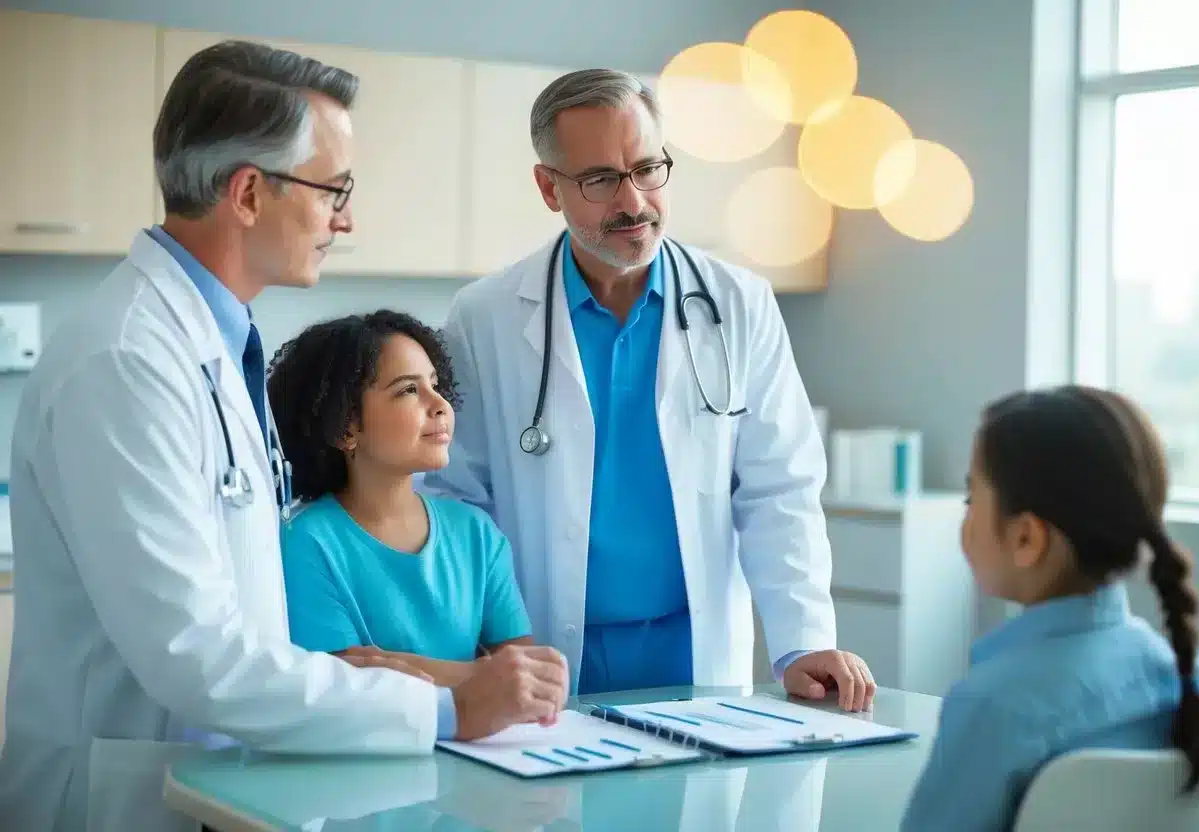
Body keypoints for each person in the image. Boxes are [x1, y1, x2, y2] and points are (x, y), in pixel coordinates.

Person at [0, 40, 565, 832]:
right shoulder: (127, 360)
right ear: (247, 194)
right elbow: (196, 653)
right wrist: (443, 707)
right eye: (333, 188)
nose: (346, 217)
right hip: (117, 796)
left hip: (211, 779)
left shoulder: (213, 345)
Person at [422, 68, 875, 709]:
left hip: (692, 650)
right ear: (549, 188)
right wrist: (488, 635)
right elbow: (456, 497)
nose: (633, 201)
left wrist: (802, 644)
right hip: (542, 650)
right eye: (601, 180)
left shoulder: (737, 304)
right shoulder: (485, 314)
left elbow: (780, 489)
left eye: (647, 168)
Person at [900, 385, 1199, 831]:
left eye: (972, 500)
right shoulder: (1188, 679)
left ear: (1026, 538)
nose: (965, 519)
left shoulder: (993, 705)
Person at [267, 309, 541, 688]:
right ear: (344, 426)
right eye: (408, 390)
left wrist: (386, 665)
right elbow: (337, 682)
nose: (439, 404)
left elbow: (525, 677)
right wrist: (479, 676)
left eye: (435, 384)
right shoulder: (304, 542)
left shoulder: (477, 533)